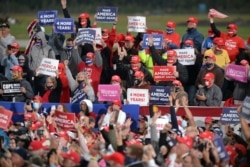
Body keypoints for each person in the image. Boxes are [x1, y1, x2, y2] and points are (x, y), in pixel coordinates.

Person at [181, 39, 202, 105]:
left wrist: (195, 61)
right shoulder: (180, 54)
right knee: (182, 100)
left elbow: (199, 69)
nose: (187, 46)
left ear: (193, 46)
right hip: (183, 82)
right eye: (186, 45)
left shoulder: (198, 56)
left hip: (192, 82)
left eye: (189, 45)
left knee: (191, 100)